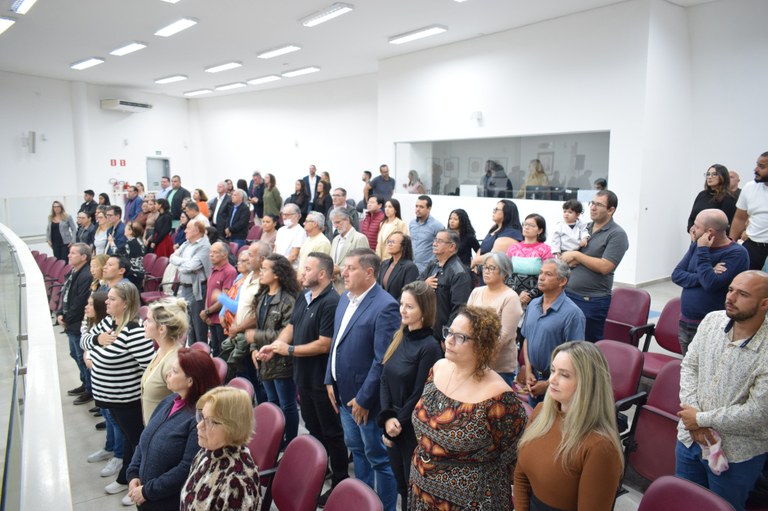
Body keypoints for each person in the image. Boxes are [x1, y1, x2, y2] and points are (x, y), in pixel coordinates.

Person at [410, 306, 527, 510]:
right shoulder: (438, 368)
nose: (449, 340)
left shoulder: (498, 396)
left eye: (461, 337)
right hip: (422, 492)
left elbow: (513, 456)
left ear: (482, 345)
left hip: (470, 501)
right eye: (449, 332)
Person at [255, 253, 349, 503]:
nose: (302, 272)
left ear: (322, 274)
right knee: (313, 429)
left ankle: (339, 481)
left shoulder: (331, 302)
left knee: (332, 433)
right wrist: (275, 346)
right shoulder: (304, 296)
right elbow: (292, 327)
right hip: (303, 376)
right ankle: (318, 471)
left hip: (321, 380)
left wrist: (289, 350)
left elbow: (324, 344)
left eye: (308, 269)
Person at [676, 270, 768, 511]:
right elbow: (689, 366)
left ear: (764, 304)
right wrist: (693, 418)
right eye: (730, 290)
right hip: (689, 439)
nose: (730, 298)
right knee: (683, 503)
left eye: (743, 294)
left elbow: (758, 412)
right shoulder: (711, 321)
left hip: (736, 453)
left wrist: (700, 419)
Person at [325, 248, 401, 511]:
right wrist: (329, 378)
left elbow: (382, 360)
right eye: (344, 267)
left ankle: (385, 507)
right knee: (358, 453)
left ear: (369, 272)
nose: (343, 273)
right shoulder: (345, 299)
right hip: (343, 393)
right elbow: (336, 342)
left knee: (378, 459)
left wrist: (365, 399)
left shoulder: (386, 306)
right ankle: (363, 504)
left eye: (351, 268)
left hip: (365, 401)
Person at [514, 341, 624, 511]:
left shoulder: (601, 447)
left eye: (564, 375)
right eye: (553, 371)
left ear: (587, 383)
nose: (552, 380)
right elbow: (521, 474)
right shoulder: (540, 412)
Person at [80, 282, 154, 497]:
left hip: (126, 399)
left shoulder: (134, 331)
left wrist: (94, 353)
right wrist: (97, 339)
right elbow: (85, 341)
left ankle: (136, 482)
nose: (106, 302)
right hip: (109, 398)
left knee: (136, 440)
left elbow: (149, 368)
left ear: (126, 303)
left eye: (112, 299)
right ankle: (127, 478)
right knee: (130, 439)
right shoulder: (109, 322)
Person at [126, 349, 220, 509]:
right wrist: (133, 473)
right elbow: (145, 439)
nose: (167, 374)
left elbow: (187, 468)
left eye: (174, 371)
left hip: (168, 502)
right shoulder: (169, 401)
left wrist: (147, 491)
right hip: (144, 494)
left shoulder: (199, 419)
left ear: (190, 381)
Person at [377, 281, 442, 508]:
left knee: (411, 488)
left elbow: (420, 394)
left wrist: (396, 423)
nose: (402, 310)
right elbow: (384, 379)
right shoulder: (399, 336)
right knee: (400, 486)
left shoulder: (430, 347)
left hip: (411, 429)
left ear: (424, 310)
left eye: (410, 306)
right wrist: (387, 418)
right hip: (394, 423)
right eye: (401, 304)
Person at [672, 209, 749, 355]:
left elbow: (710, 283)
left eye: (697, 226)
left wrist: (703, 251)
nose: (692, 229)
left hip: (712, 327)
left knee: (707, 367)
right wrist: (708, 271)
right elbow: (677, 275)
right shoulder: (696, 245)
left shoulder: (736, 253)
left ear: (710, 232)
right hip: (686, 322)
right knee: (688, 366)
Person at [560, 190, 629, 342]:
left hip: (591, 300)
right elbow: (567, 254)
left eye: (599, 204)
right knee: (565, 342)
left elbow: (605, 266)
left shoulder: (617, 234)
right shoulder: (584, 227)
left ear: (611, 210)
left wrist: (577, 256)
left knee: (586, 345)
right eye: (592, 203)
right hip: (568, 293)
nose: (593, 207)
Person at [245, 254, 300, 444]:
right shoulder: (262, 296)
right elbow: (259, 326)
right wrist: (253, 348)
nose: (261, 272)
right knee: (271, 401)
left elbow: (286, 333)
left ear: (276, 274)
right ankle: (275, 440)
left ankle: (290, 441)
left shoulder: (288, 301)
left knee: (287, 404)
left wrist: (256, 337)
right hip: (264, 359)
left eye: (265, 269)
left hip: (282, 361)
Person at [180, 387, 261, 510]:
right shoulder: (207, 451)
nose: (199, 425)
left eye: (211, 422)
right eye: (201, 416)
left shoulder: (237, 484)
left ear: (233, 428)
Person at [521, 259, 586, 406]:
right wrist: (529, 371)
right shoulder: (533, 304)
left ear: (562, 281)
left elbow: (575, 358)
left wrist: (548, 384)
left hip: (557, 383)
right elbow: (527, 339)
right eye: (541, 273)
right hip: (533, 379)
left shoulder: (573, 314)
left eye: (548, 274)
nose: (541, 277)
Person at [468, 252, 523, 386]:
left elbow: (504, 336)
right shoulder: (476, 292)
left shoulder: (510, 297)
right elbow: (466, 321)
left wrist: (481, 356)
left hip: (498, 368)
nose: (486, 271)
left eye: (492, 268)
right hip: (472, 360)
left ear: (504, 273)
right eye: (485, 267)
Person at [419, 229, 473, 341]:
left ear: (452, 247)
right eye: (435, 240)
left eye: (439, 241)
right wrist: (425, 284)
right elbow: (416, 284)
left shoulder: (459, 273)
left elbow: (459, 308)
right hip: (425, 327)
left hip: (441, 334)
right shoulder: (433, 264)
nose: (434, 244)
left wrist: (447, 334)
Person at [140, 298, 187, 425]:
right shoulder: (161, 350)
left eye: (149, 320)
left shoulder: (174, 362)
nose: (144, 323)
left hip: (163, 431)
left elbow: (184, 409)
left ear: (162, 329)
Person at [57, 243, 93, 403]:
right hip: (70, 321)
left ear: (83, 257)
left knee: (81, 357)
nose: (69, 255)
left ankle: (90, 389)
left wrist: (66, 318)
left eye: (73, 253)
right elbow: (65, 295)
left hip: (76, 322)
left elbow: (79, 302)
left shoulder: (86, 275)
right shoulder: (73, 272)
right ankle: (85, 383)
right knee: (75, 354)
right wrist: (60, 313)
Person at [170, 220, 212, 345]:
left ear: (197, 231)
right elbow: (172, 258)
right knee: (189, 326)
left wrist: (181, 264)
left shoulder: (205, 246)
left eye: (188, 228)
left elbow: (191, 266)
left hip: (197, 289)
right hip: (185, 288)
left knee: (198, 326)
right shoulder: (186, 243)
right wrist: (185, 263)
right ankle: (192, 352)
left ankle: (201, 351)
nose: (185, 231)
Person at [730, 151, 768, 270]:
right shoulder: (749, 187)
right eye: (757, 165)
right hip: (753, 248)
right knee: (746, 280)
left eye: (762, 166)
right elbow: (739, 218)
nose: (756, 169)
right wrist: (730, 245)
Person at [506, 213, 553, 306]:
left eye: (531, 225)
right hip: (513, 296)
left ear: (540, 230)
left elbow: (549, 275)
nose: (526, 227)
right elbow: (505, 273)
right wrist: (519, 293)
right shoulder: (513, 248)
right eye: (525, 224)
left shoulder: (545, 249)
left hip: (537, 299)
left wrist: (530, 295)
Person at [201, 242, 237, 357]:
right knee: (215, 351)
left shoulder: (229, 271)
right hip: (212, 318)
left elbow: (224, 298)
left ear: (225, 255)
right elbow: (209, 293)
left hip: (221, 320)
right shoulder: (214, 269)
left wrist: (207, 312)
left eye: (215, 252)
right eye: (210, 252)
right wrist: (207, 313)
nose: (211, 255)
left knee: (222, 353)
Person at [470, 199, 523, 274]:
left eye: (496, 209)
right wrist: (476, 264)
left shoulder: (511, 234)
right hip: (484, 272)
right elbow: (481, 249)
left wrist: (475, 261)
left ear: (507, 213)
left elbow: (494, 256)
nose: (493, 212)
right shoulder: (494, 228)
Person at [687, 164, 737, 232]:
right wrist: (691, 230)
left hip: (715, 236)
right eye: (708, 174)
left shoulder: (728, 198)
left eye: (714, 174)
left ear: (723, 176)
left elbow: (725, 225)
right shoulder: (702, 195)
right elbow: (692, 218)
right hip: (696, 236)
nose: (710, 177)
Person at [329, 207, 370, 289]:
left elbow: (363, 265)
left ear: (347, 219)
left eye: (338, 222)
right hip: (335, 286)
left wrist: (340, 270)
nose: (335, 226)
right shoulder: (335, 239)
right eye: (333, 223)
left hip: (352, 287)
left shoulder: (360, 238)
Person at [377, 232, 419, 303]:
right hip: (382, 304)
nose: (389, 244)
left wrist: (393, 306)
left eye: (393, 242)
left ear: (403, 246)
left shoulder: (410, 267)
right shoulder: (384, 264)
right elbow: (378, 286)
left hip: (397, 306)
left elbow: (409, 292)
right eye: (389, 241)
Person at [408, 195, 445, 274]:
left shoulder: (437, 226)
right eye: (416, 206)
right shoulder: (412, 224)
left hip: (428, 269)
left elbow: (443, 248)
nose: (418, 209)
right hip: (411, 267)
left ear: (429, 208)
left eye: (421, 207)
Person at [274, 203, 307, 269]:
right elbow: (275, 250)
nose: (284, 217)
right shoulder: (281, 230)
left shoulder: (300, 231)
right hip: (277, 265)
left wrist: (281, 268)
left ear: (297, 216)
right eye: (283, 214)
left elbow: (293, 256)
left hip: (289, 268)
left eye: (287, 215)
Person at [117, 221, 145, 291]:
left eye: (126, 227)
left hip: (131, 274)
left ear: (130, 231)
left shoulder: (129, 243)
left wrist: (111, 242)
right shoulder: (140, 241)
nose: (124, 229)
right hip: (139, 274)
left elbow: (117, 253)